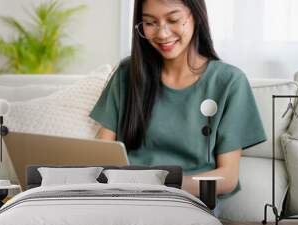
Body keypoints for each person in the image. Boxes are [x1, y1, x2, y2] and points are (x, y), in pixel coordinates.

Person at [89, 0, 267, 199]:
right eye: (150, 23)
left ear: (196, 16)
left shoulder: (229, 82)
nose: (162, 34)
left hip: (187, 200)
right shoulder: (127, 74)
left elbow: (227, 178)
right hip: (124, 197)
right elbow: (100, 156)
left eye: (173, 20)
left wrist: (160, 186)